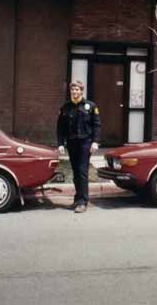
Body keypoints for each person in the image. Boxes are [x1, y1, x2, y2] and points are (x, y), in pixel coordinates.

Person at [56, 81, 100, 213]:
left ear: (81, 91)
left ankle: (83, 202)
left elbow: (96, 125)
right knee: (75, 172)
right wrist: (60, 144)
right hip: (71, 143)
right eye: (72, 90)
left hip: (85, 142)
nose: (74, 92)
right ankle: (77, 199)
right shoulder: (65, 107)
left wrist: (95, 142)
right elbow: (60, 128)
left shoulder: (90, 106)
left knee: (82, 171)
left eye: (77, 90)